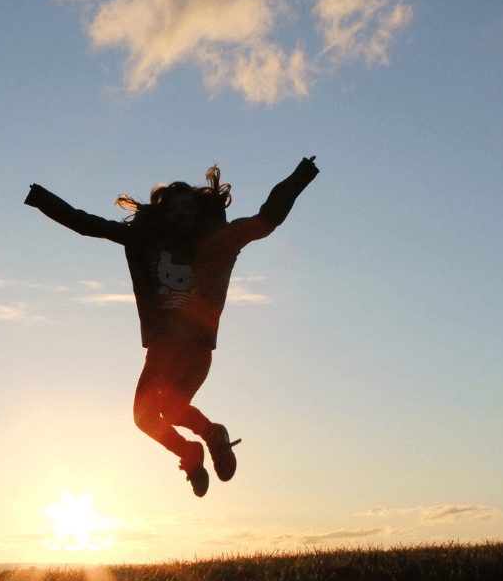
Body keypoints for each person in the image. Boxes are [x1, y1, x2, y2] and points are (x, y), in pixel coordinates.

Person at [24, 156, 319, 496]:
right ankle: (199, 445)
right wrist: (40, 198)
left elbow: (265, 220)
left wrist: (301, 175)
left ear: (199, 212)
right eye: (173, 207)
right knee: (154, 415)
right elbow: (87, 224)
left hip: (194, 348)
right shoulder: (143, 241)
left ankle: (204, 441)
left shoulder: (219, 242)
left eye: (188, 206)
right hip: (165, 350)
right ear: (162, 214)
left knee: (162, 412)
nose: (181, 212)